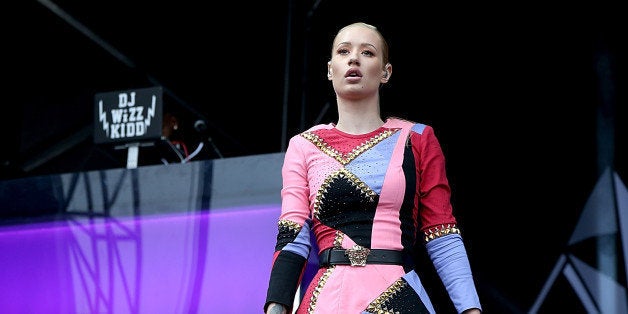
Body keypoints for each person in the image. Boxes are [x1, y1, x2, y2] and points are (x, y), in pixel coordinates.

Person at [264, 22, 482, 314]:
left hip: (400, 296)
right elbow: (293, 235)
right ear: (330, 70)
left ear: (385, 72)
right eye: (344, 51)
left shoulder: (416, 138)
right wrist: (275, 307)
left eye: (367, 52)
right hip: (327, 301)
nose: (353, 59)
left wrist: (471, 309)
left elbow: (441, 232)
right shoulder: (304, 145)